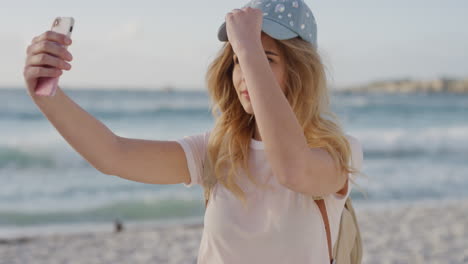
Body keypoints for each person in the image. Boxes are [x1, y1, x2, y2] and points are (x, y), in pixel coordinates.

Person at [22, 0, 363, 263]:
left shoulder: (337, 152)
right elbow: (114, 154)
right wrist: (45, 94)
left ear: (300, 72)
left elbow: (292, 169)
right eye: (237, 61)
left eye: (265, 58)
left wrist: (246, 44)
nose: (244, 71)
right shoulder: (217, 150)